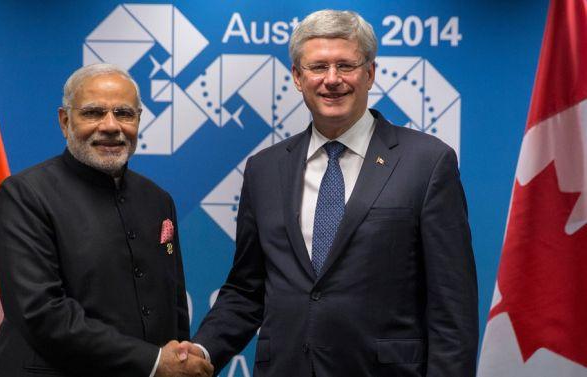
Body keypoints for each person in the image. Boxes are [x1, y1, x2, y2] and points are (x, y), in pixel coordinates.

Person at [188, 9, 478, 377]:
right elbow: (248, 289)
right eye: (317, 67)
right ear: (297, 77)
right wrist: (201, 350)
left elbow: (452, 305)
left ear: (370, 72)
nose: (332, 80)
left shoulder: (428, 162)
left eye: (346, 65)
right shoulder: (265, 169)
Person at [0, 63, 213, 377]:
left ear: (139, 120)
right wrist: (152, 362)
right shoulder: (26, 195)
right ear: (65, 121)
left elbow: (173, 305)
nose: (110, 126)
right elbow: (40, 312)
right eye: (94, 113)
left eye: (124, 114)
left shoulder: (157, 199)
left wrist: (177, 360)